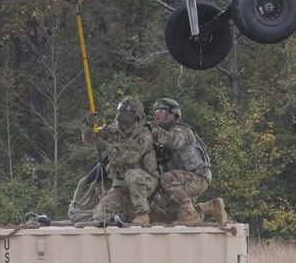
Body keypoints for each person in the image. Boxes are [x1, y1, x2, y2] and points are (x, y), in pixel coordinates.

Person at [82, 95, 159, 225]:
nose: (121, 111)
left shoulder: (143, 134)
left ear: (135, 114)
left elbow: (130, 157)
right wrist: (89, 126)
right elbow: (90, 139)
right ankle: (125, 213)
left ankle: (142, 215)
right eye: (120, 107)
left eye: (126, 108)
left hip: (145, 181)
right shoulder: (111, 130)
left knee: (132, 174)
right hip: (120, 184)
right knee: (100, 217)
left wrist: (106, 146)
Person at [152, 98, 227, 226]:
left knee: (166, 179)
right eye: (155, 111)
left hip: (197, 176)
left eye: (161, 110)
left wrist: (151, 132)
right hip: (188, 179)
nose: (156, 114)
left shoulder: (181, 130)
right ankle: (208, 207)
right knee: (173, 217)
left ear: (172, 114)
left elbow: (174, 142)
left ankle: (190, 214)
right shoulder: (169, 133)